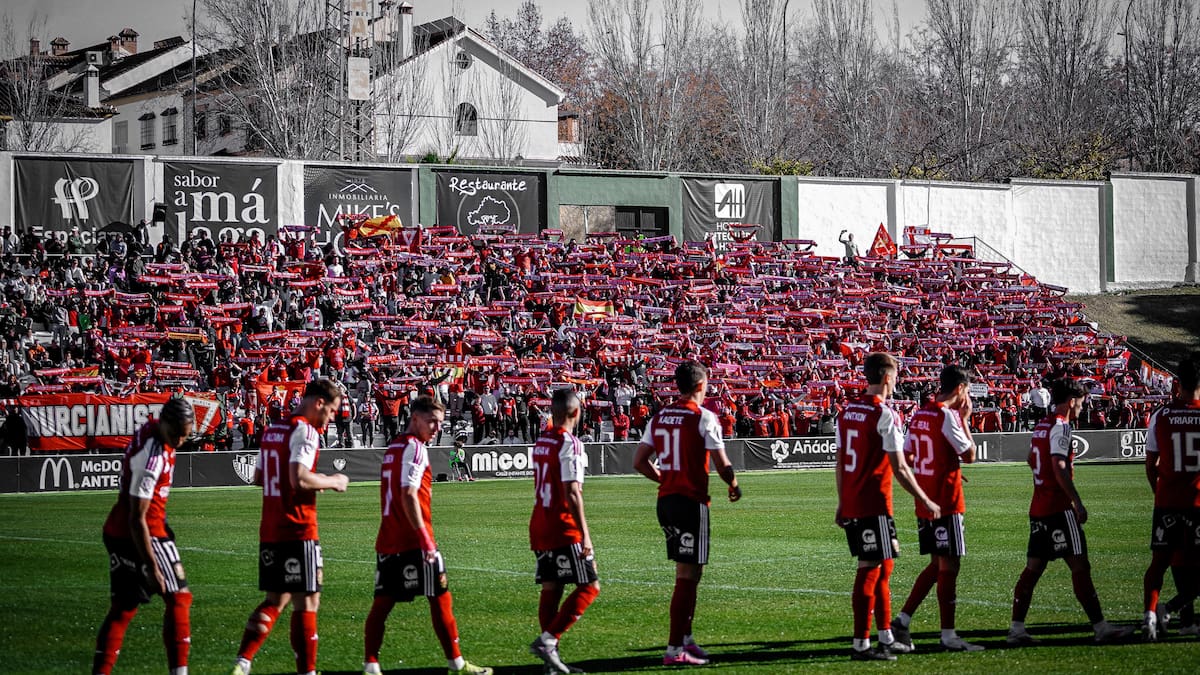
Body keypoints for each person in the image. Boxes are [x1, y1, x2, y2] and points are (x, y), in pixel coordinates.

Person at [362, 396, 492, 675]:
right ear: (415, 419)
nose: (436, 429)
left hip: (388, 537)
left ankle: (371, 665)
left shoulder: (393, 448)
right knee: (440, 597)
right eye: (432, 421)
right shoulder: (415, 448)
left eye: (440, 423)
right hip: (414, 540)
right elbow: (408, 494)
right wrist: (425, 539)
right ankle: (457, 663)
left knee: (382, 604)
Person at [231, 379, 350, 675]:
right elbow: (299, 478)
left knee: (276, 599)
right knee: (307, 602)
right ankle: (307, 672)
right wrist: (332, 481)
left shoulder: (272, 430)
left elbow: (258, 477)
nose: (332, 418)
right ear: (318, 403)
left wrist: (307, 481)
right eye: (332, 411)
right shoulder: (306, 430)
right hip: (298, 527)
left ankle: (242, 663)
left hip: (270, 528)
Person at [1007, 378, 1134, 645]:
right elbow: (1059, 466)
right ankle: (1100, 627)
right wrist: (1076, 501)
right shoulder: (1061, 427)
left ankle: (1016, 629)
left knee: (1033, 569)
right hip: (1059, 509)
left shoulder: (1041, 426)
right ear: (1071, 401)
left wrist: (1042, 486)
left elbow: (1032, 459)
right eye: (1082, 402)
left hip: (1038, 508)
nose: (1082, 407)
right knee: (1079, 565)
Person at [633, 361, 741, 666]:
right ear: (700, 386)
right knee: (686, 575)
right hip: (690, 503)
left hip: (665, 502)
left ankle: (686, 637)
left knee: (691, 573)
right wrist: (733, 484)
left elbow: (640, 462)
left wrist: (664, 478)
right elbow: (721, 463)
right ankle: (674, 650)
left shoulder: (659, 417)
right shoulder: (703, 417)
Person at [835, 353, 942, 661]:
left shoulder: (847, 411)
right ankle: (861, 644)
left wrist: (842, 502)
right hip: (874, 503)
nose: (897, 383)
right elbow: (901, 469)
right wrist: (924, 498)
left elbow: (840, 462)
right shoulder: (884, 414)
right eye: (895, 377)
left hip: (855, 501)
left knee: (884, 566)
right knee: (870, 568)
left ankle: (885, 635)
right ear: (886, 378)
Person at [93, 398, 196, 675]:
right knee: (179, 598)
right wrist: (151, 567)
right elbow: (138, 518)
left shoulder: (152, 430)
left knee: (123, 608)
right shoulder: (153, 457)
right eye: (176, 434)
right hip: (145, 531)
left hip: (117, 529)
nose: (180, 441)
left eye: (186, 435)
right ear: (164, 424)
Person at [890, 365, 982, 652]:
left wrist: (935, 467)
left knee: (936, 564)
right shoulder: (946, 415)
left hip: (924, 498)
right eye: (967, 390)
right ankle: (948, 635)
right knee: (950, 566)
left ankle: (902, 621)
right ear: (960, 389)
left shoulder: (919, 414)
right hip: (946, 500)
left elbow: (907, 454)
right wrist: (965, 420)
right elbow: (969, 456)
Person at [529, 388, 599, 674]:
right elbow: (572, 492)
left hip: (539, 522)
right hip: (562, 524)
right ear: (576, 413)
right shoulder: (570, 443)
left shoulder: (542, 442)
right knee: (590, 585)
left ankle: (551, 663)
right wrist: (586, 535)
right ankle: (548, 641)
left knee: (552, 587)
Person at [1142, 351, 1200, 640]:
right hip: (1198, 502)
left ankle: (1151, 618)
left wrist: (1159, 494)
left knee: (1162, 562)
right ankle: (1175, 609)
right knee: (1188, 562)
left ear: (1177, 383)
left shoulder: (1161, 415)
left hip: (1166, 502)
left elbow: (1150, 466)